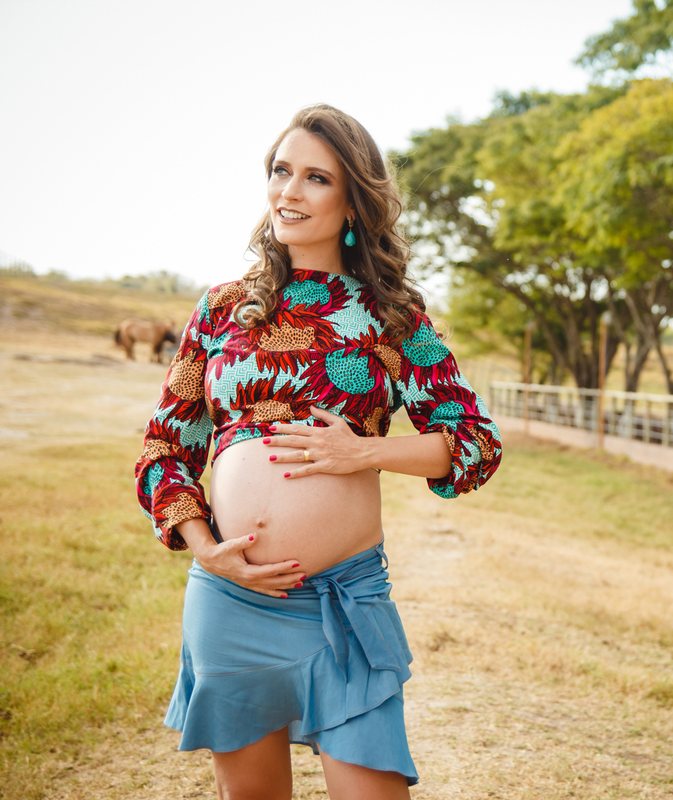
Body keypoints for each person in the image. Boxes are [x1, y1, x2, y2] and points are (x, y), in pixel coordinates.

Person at [134, 104, 502, 800]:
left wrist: (365, 453)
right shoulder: (223, 309)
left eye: (316, 178)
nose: (289, 192)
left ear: (353, 199)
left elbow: (475, 445)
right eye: (281, 172)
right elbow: (165, 448)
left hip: (343, 600)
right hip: (233, 595)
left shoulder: (395, 317)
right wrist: (204, 546)